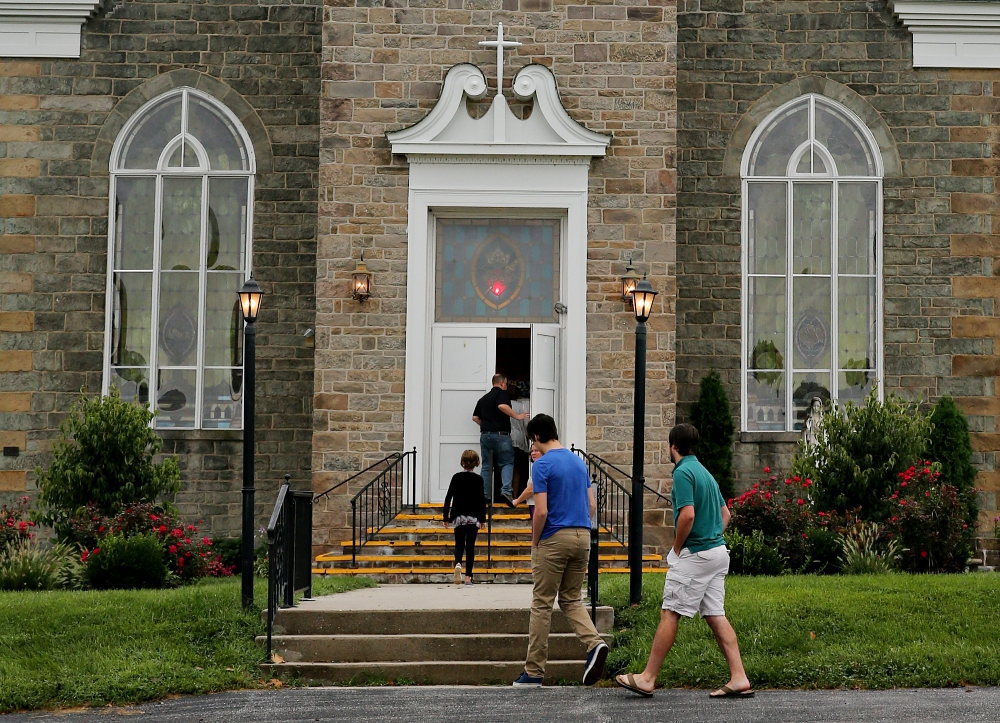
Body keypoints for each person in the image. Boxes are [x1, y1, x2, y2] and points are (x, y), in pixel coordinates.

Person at [615, 423, 753, 699]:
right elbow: (726, 514)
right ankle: (739, 677)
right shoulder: (705, 473)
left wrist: (677, 549)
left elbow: (687, 515)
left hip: (696, 555)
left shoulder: (682, 473)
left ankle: (647, 678)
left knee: (669, 612)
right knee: (715, 615)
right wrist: (712, 538)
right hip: (717, 553)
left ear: (673, 446)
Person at [512, 414, 609, 688]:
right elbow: (591, 505)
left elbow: (540, 510)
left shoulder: (542, 465)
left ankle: (533, 672)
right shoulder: (579, 463)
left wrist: (535, 541)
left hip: (554, 537)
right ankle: (594, 643)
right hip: (582, 536)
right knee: (570, 599)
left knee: (542, 603)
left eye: (533, 439)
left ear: (537, 437)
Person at [472, 373, 529, 507]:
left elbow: (475, 417)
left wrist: (487, 426)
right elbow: (502, 406)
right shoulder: (502, 394)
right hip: (501, 435)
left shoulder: (483, 399)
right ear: (503, 383)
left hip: (485, 435)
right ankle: (506, 491)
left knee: (486, 466)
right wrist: (517, 416)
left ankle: (485, 495)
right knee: (507, 463)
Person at [443, 449, 487, 585]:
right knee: (470, 546)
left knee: (459, 543)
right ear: (476, 463)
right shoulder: (479, 480)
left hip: (458, 516)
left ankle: (457, 564)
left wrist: (446, 517)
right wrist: (482, 519)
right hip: (473, 517)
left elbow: (448, 497)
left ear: (462, 462)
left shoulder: (456, 477)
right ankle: (468, 577)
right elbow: (481, 500)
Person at [509, 384, 531, 499]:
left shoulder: (505, 406)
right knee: (517, 469)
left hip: (506, 438)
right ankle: (515, 495)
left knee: (507, 466)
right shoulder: (522, 406)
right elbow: (526, 424)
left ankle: (505, 493)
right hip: (519, 439)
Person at [512, 442, 541, 520]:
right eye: (532, 451)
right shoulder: (537, 466)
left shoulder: (539, 468)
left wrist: (517, 501)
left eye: (536, 451)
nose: (533, 453)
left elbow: (531, 489)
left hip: (537, 505)